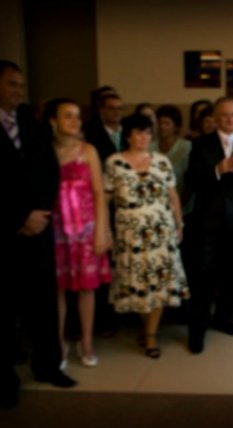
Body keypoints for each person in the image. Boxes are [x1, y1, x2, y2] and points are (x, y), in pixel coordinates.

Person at [1, 60, 76, 408]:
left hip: (39, 228)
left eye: (21, 84)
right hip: (7, 229)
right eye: (12, 84)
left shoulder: (31, 125)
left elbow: (50, 172)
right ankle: (5, 381)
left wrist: (41, 213)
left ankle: (48, 366)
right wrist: (19, 217)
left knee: (43, 303)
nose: (19, 90)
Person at [104, 114, 189, 359]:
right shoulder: (114, 162)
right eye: (138, 132)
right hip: (129, 233)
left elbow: (172, 195)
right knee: (137, 283)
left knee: (159, 281)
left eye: (147, 133)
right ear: (128, 135)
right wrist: (105, 229)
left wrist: (179, 224)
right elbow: (105, 199)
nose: (144, 137)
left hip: (160, 231)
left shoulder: (161, 161)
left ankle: (151, 334)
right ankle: (147, 327)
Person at [185, 97, 233, 354]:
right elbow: (192, 180)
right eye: (225, 115)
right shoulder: (201, 143)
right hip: (208, 220)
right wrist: (217, 169)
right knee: (203, 277)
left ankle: (224, 319)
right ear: (216, 118)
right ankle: (197, 330)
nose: (230, 119)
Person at [46, 98, 112, 368]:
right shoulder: (46, 151)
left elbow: (99, 193)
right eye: (67, 116)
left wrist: (102, 231)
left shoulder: (89, 150)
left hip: (85, 229)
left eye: (77, 116)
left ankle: (86, 342)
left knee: (87, 288)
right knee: (57, 289)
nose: (74, 121)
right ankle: (59, 344)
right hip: (56, 229)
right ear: (53, 121)